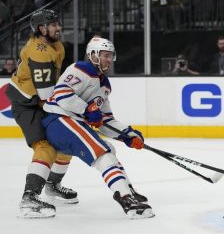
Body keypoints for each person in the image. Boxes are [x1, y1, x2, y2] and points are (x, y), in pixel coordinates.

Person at [42, 37, 154, 219]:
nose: (109, 60)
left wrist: (127, 134)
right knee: (102, 152)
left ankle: (127, 189)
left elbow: (105, 119)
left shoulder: (104, 85)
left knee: (109, 149)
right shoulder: (81, 69)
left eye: (111, 56)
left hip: (72, 123)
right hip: (58, 120)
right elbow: (62, 94)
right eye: (105, 55)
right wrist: (86, 110)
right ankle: (126, 199)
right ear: (93, 55)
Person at [5, 9, 79, 218]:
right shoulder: (38, 50)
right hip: (26, 104)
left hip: (40, 101)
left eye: (58, 23)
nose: (59, 27)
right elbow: (47, 96)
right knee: (45, 147)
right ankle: (29, 198)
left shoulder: (57, 46)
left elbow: (52, 87)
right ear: (41, 28)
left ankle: (52, 185)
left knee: (65, 142)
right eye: (54, 24)